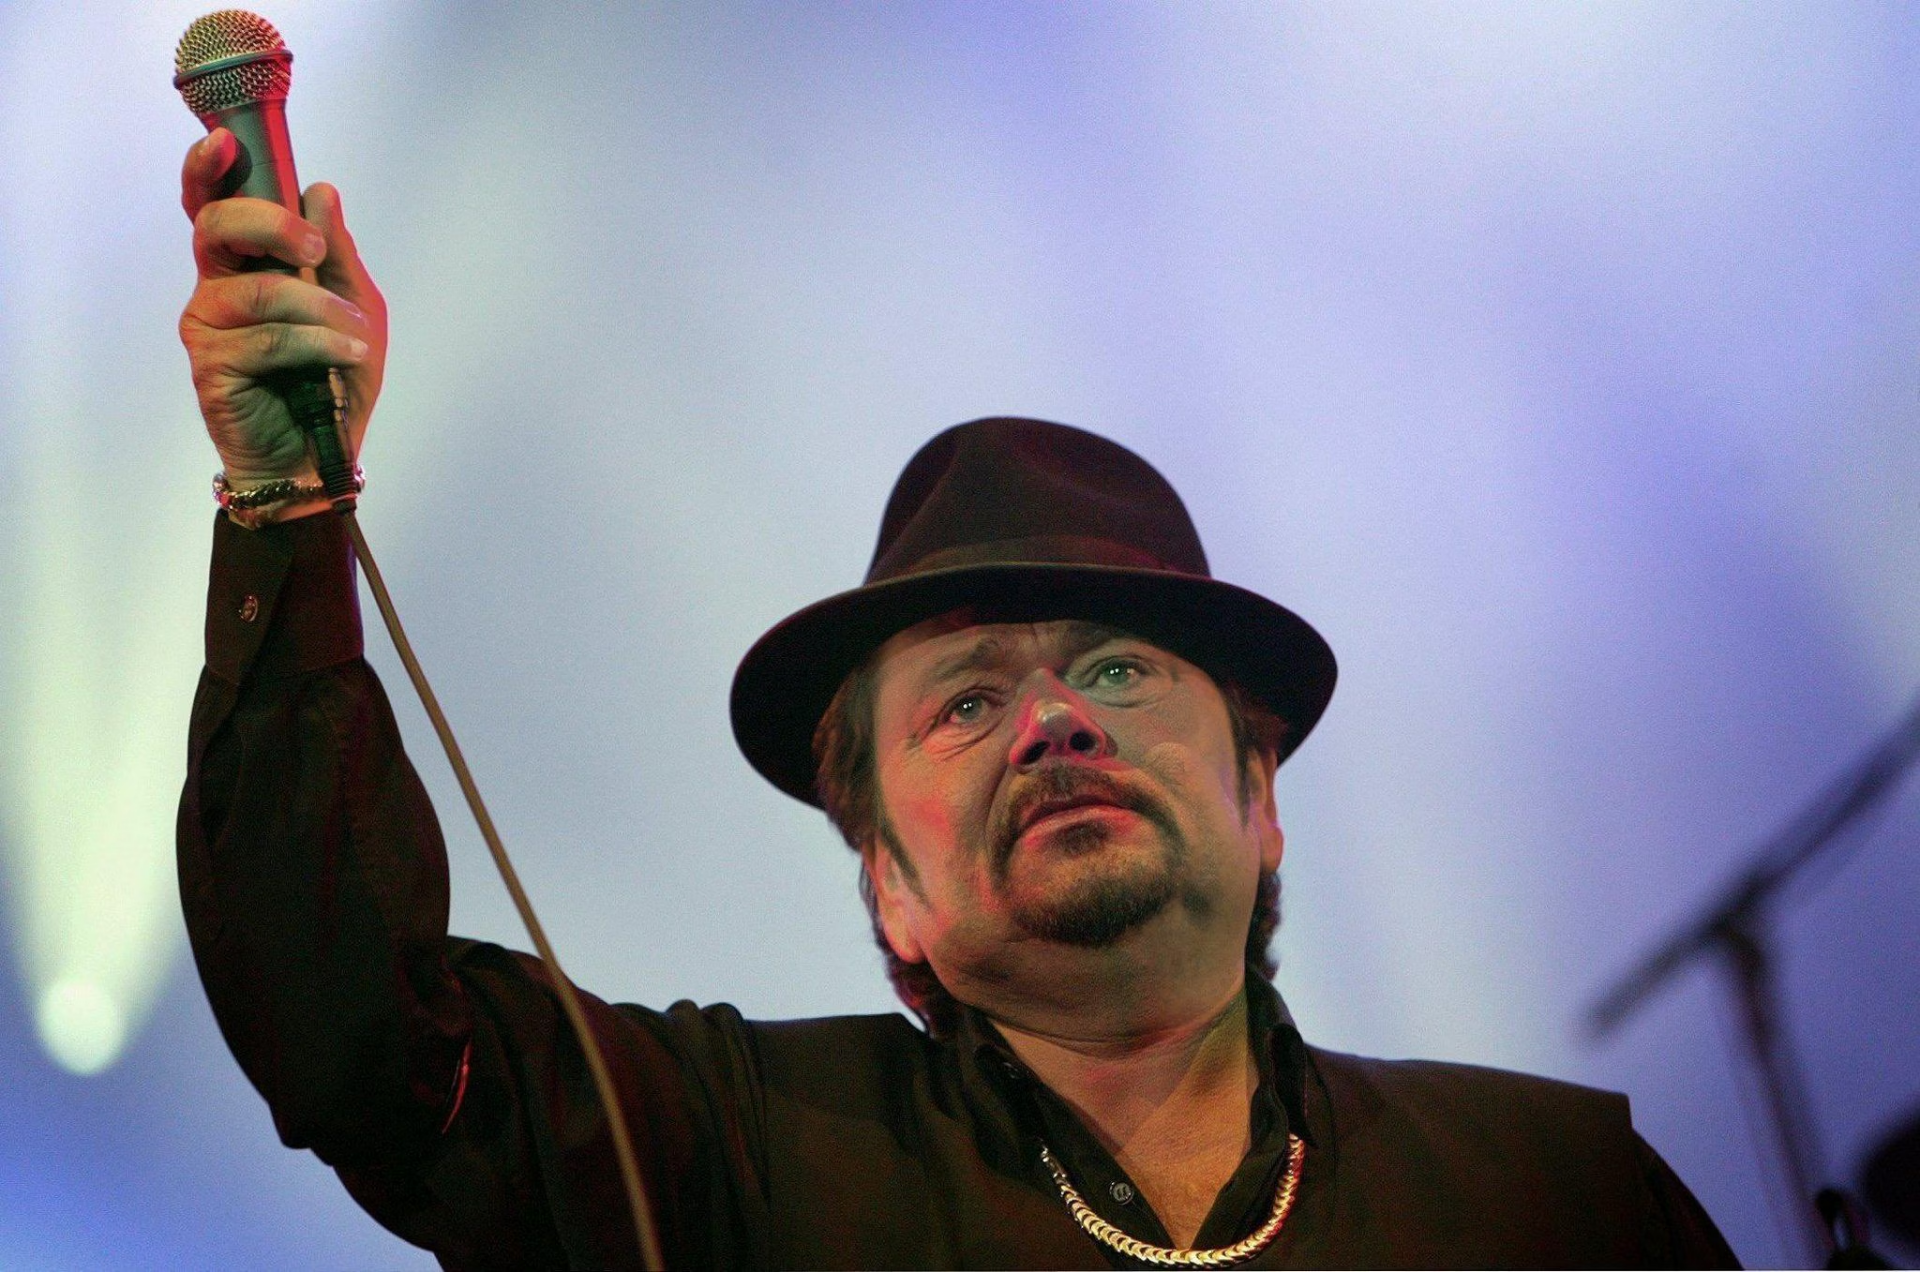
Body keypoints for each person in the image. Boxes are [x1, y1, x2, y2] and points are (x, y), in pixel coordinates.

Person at [175, 128, 1739, 1270]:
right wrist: (286, 505)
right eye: (967, 706)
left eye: (1117, 667)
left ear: (1262, 797)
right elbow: (365, 1041)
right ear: (890, 886)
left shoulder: (1554, 1195)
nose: (1057, 720)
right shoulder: (736, 1157)